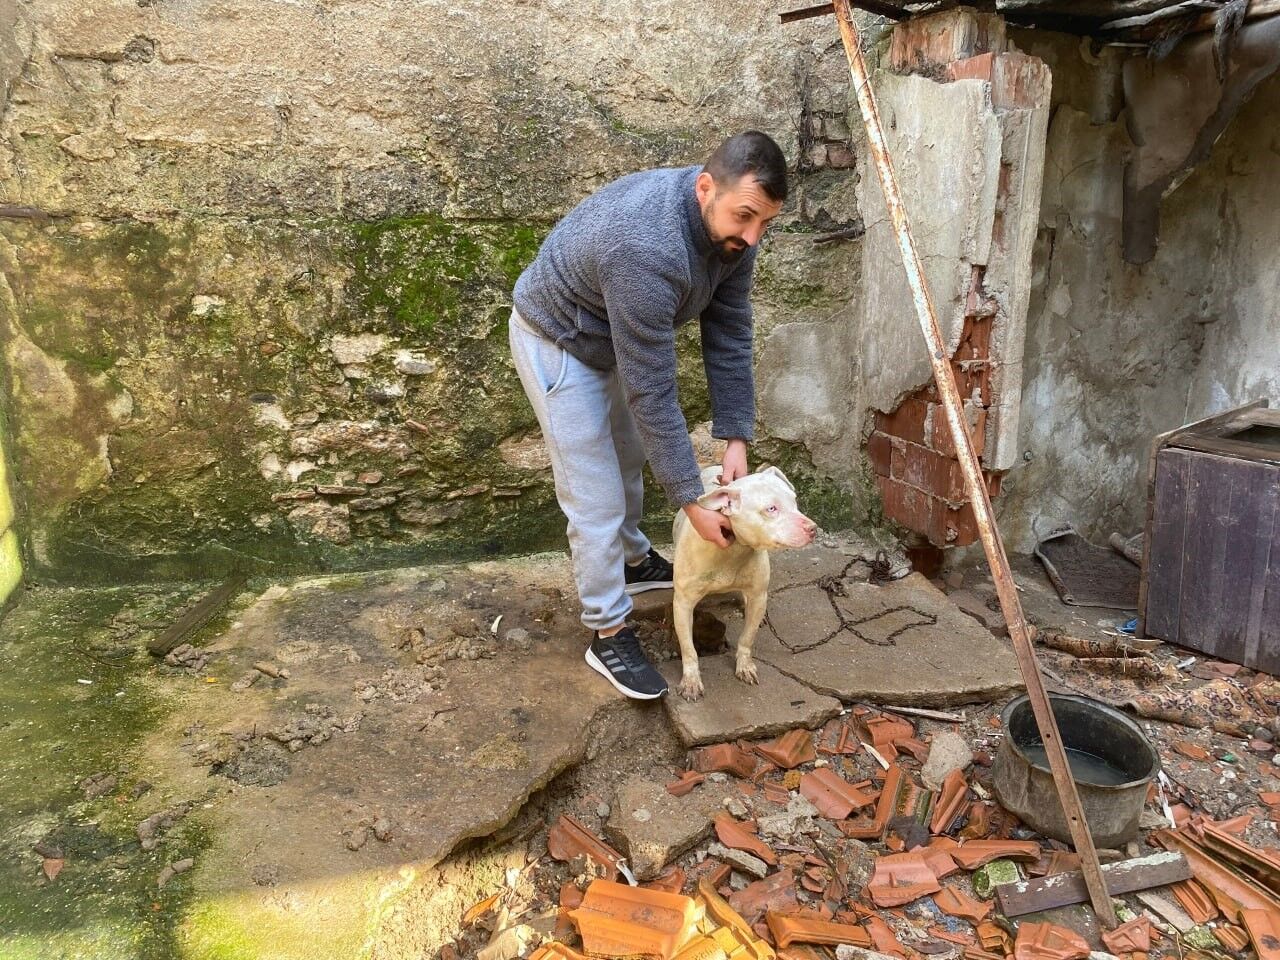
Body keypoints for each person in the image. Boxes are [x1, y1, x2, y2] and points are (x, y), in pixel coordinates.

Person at [508, 131, 787, 700]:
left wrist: (734, 436)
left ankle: (633, 562)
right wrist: (693, 500)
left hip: (610, 337)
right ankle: (607, 629)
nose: (753, 236)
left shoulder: (733, 228)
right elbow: (653, 392)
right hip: (558, 341)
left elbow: (729, 331)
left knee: (633, 455)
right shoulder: (645, 246)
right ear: (705, 188)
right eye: (745, 218)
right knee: (596, 494)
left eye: (765, 223)